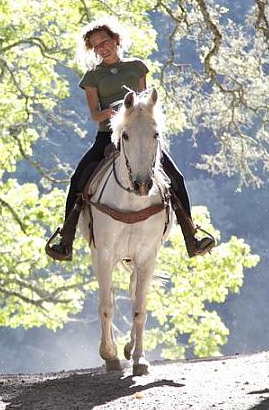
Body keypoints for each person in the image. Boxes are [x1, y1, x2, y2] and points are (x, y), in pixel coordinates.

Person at [45, 18, 216, 261]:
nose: (102, 48)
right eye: (95, 46)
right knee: (78, 178)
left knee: (176, 177)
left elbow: (145, 105)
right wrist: (118, 112)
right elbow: (95, 115)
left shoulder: (137, 67)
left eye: (104, 41)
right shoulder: (92, 77)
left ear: (116, 40)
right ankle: (66, 237)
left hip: (138, 136)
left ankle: (192, 234)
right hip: (108, 137)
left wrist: (137, 115)